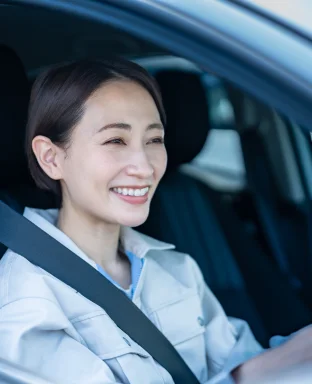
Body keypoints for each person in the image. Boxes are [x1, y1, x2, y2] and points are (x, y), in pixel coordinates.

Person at [0, 58, 310, 384]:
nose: (145, 167)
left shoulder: (176, 267)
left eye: (154, 140)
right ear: (51, 158)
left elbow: (242, 359)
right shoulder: (24, 306)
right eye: (116, 141)